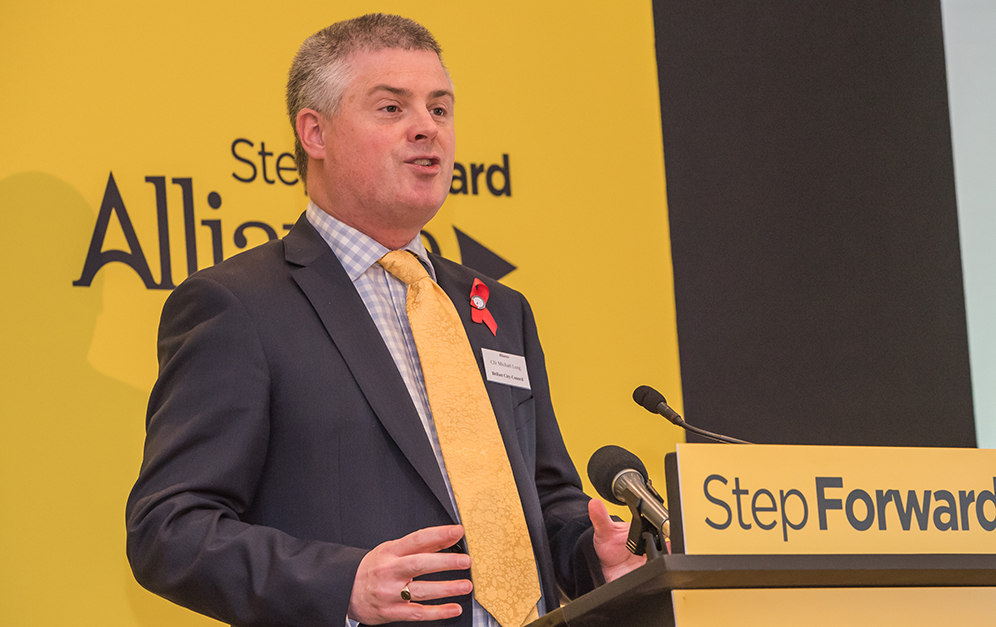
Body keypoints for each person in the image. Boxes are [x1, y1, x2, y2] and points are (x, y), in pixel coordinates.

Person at [126, 13, 643, 627]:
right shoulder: (239, 306)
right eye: (392, 108)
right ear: (315, 133)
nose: (427, 127)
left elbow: (543, 499)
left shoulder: (500, 310)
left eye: (440, 109)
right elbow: (169, 529)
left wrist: (593, 555)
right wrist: (342, 584)